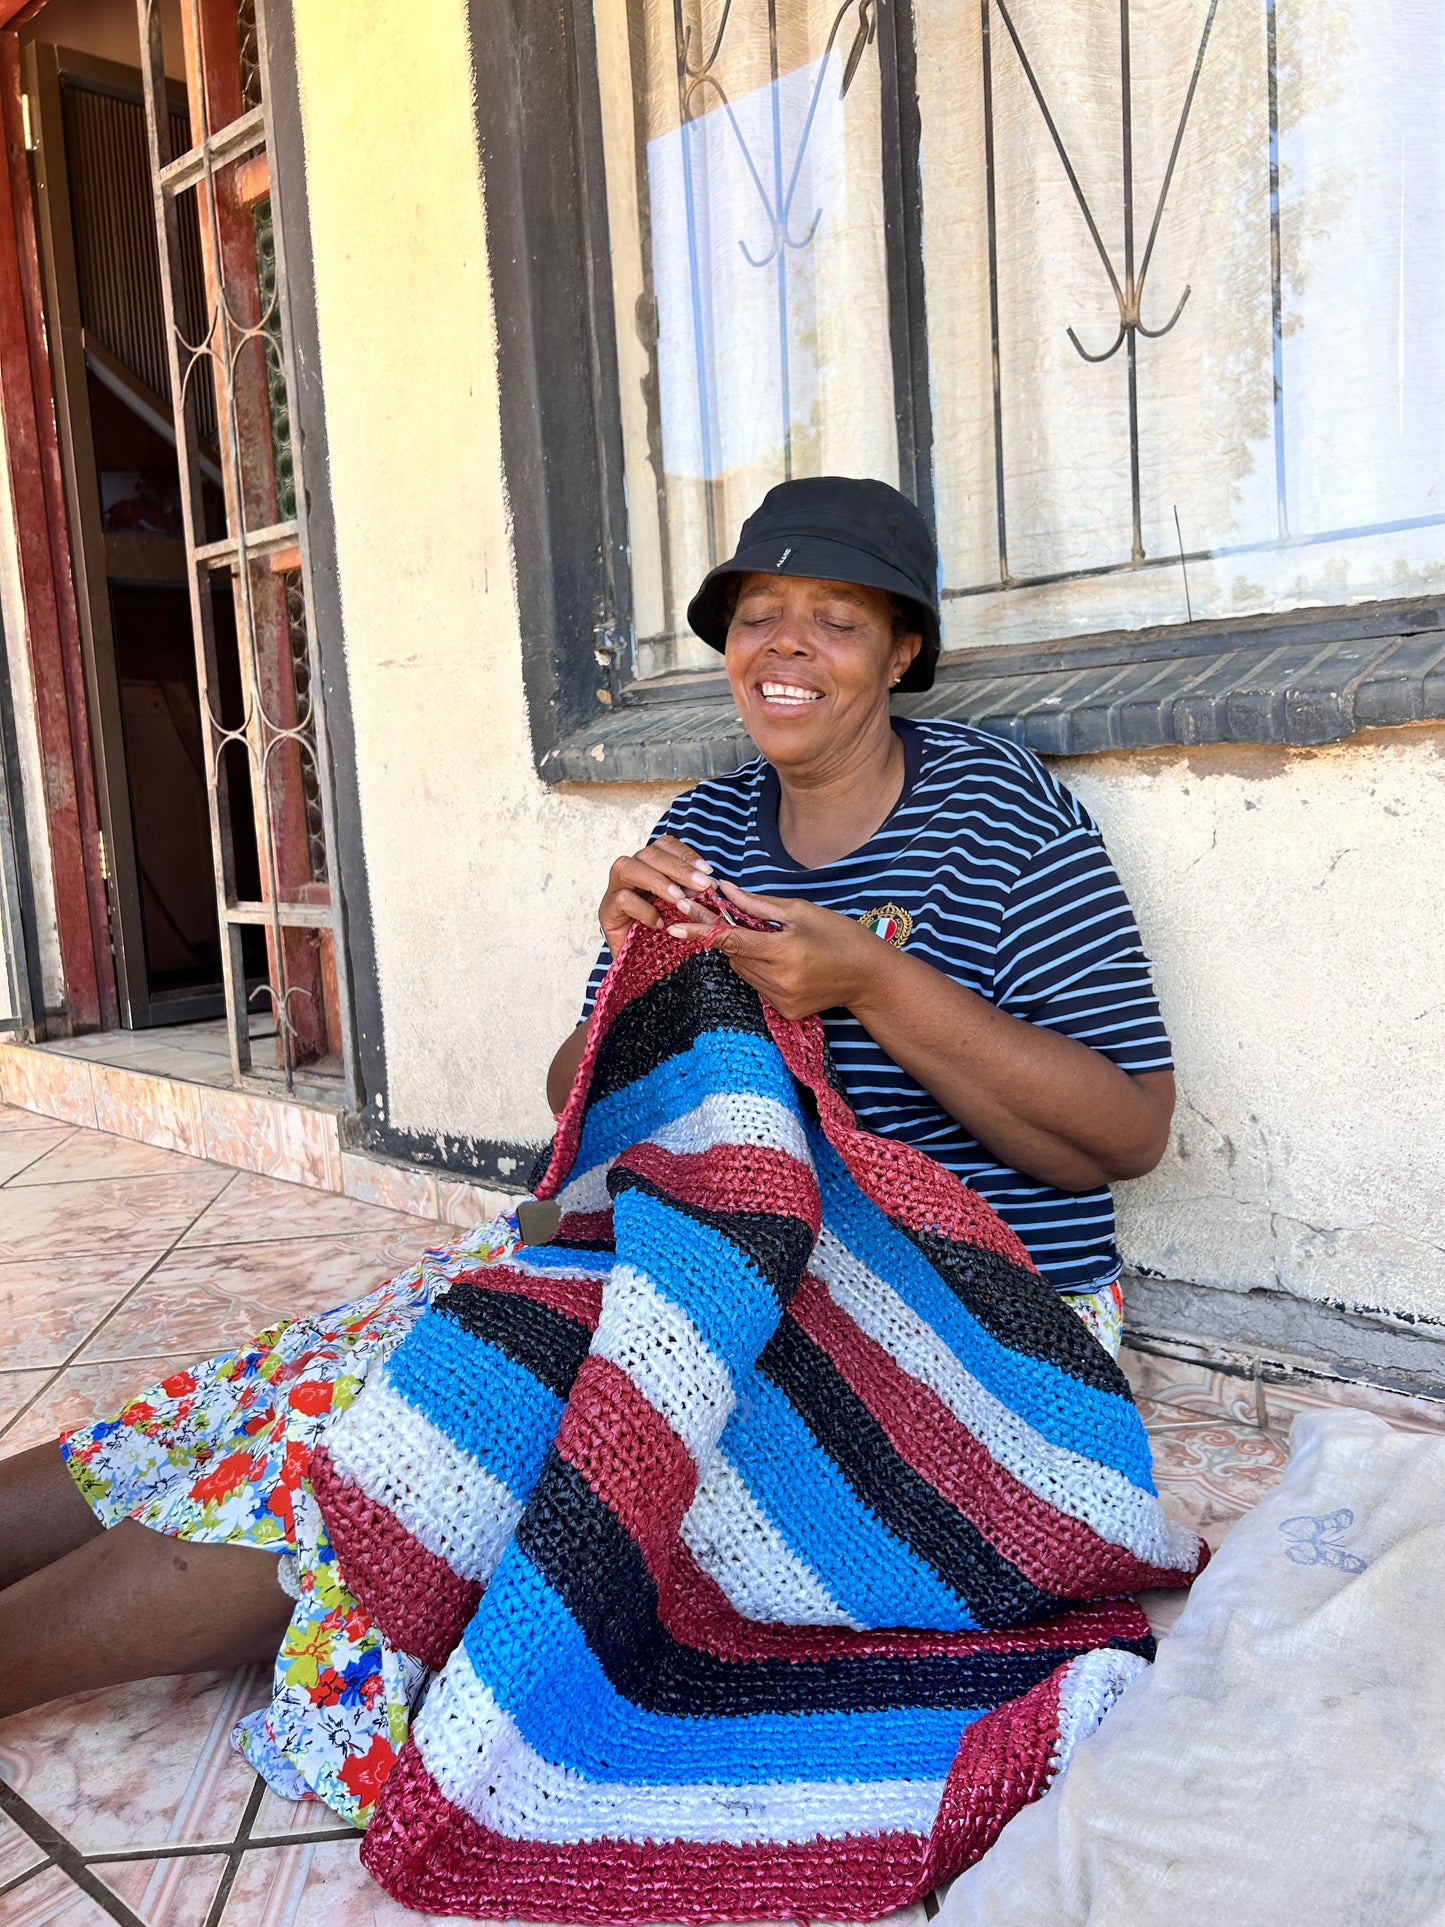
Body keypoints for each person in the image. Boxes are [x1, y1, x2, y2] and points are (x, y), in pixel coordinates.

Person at [0, 475, 1173, 1822]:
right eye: (757, 616)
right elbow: (579, 1113)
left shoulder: (998, 818)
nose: (783, 647)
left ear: (901, 651)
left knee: (440, 1409)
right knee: (312, 1360)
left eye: (833, 620)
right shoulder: (714, 825)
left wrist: (869, 986)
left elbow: (1121, 1136)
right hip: (707, 1247)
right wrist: (631, 968)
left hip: (959, 1313)